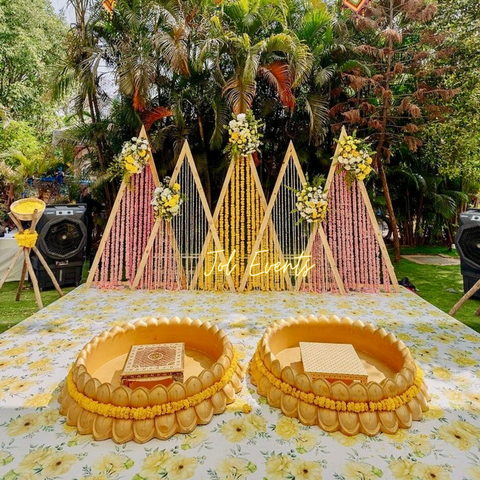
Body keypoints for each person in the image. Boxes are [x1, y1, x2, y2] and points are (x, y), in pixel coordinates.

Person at [78, 183, 102, 264]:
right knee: (83, 236)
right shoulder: (81, 199)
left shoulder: (88, 200)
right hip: (82, 220)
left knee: (88, 237)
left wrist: (94, 212)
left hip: (87, 220)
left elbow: (99, 206)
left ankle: (87, 253)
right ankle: (83, 253)